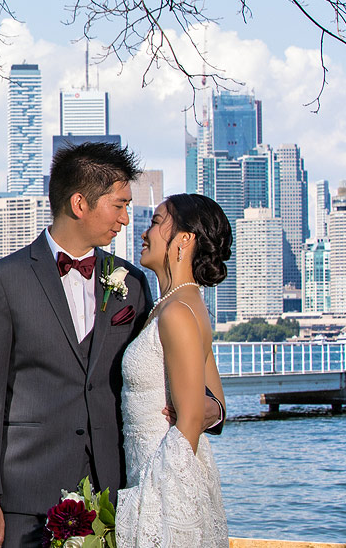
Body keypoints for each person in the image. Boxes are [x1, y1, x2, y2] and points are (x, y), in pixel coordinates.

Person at [0, 142, 223, 548]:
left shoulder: (132, 283)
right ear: (80, 203)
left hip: (114, 495)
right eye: (119, 205)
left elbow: (165, 367)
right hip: (25, 499)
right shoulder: (2, 280)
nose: (125, 218)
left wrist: (210, 409)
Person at [114, 193, 229, 547]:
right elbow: (217, 405)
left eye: (156, 221)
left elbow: (193, 418)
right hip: (155, 467)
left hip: (164, 480)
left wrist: (154, 502)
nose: (144, 232)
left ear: (183, 240)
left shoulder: (177, 311)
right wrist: (205, 409)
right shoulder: (178, 303)